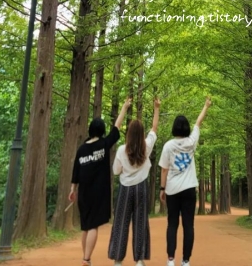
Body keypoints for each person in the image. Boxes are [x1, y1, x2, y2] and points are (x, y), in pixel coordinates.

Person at [70, 98, 132, 266]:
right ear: (102, 130)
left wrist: (72, 189)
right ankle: (86, 259)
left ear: (90, 130)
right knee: (93, 226)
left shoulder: (82, 149)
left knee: (86, 226)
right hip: (98, 193)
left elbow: (76, 171)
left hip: (83, 194)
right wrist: (124, 107)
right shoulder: (104, 144)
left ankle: (86, 258)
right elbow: (117, 127)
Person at [108, 98, 161, 266]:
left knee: (120, 222)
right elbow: (154, 129)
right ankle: (139, 260)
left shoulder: (121, 150)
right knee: (140, 223)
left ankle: (118, 260)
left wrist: (124, 107)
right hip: (141, 188)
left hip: (125, 189)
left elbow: (116, 171)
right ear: (142, 133)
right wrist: (156, 108)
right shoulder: (146, 146)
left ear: (129, 133)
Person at [159, 97, 211, 266]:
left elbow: (164, 169)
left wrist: (162, 189)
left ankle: (170, 260)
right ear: (187, 128)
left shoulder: (168, 146)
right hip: (189, 189)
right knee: (189, 226)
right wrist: (206, 106)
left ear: (174, 128)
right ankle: (186, 260)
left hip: (172, 190)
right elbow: (198, 122)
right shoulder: (191, 142)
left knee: (172, 225)